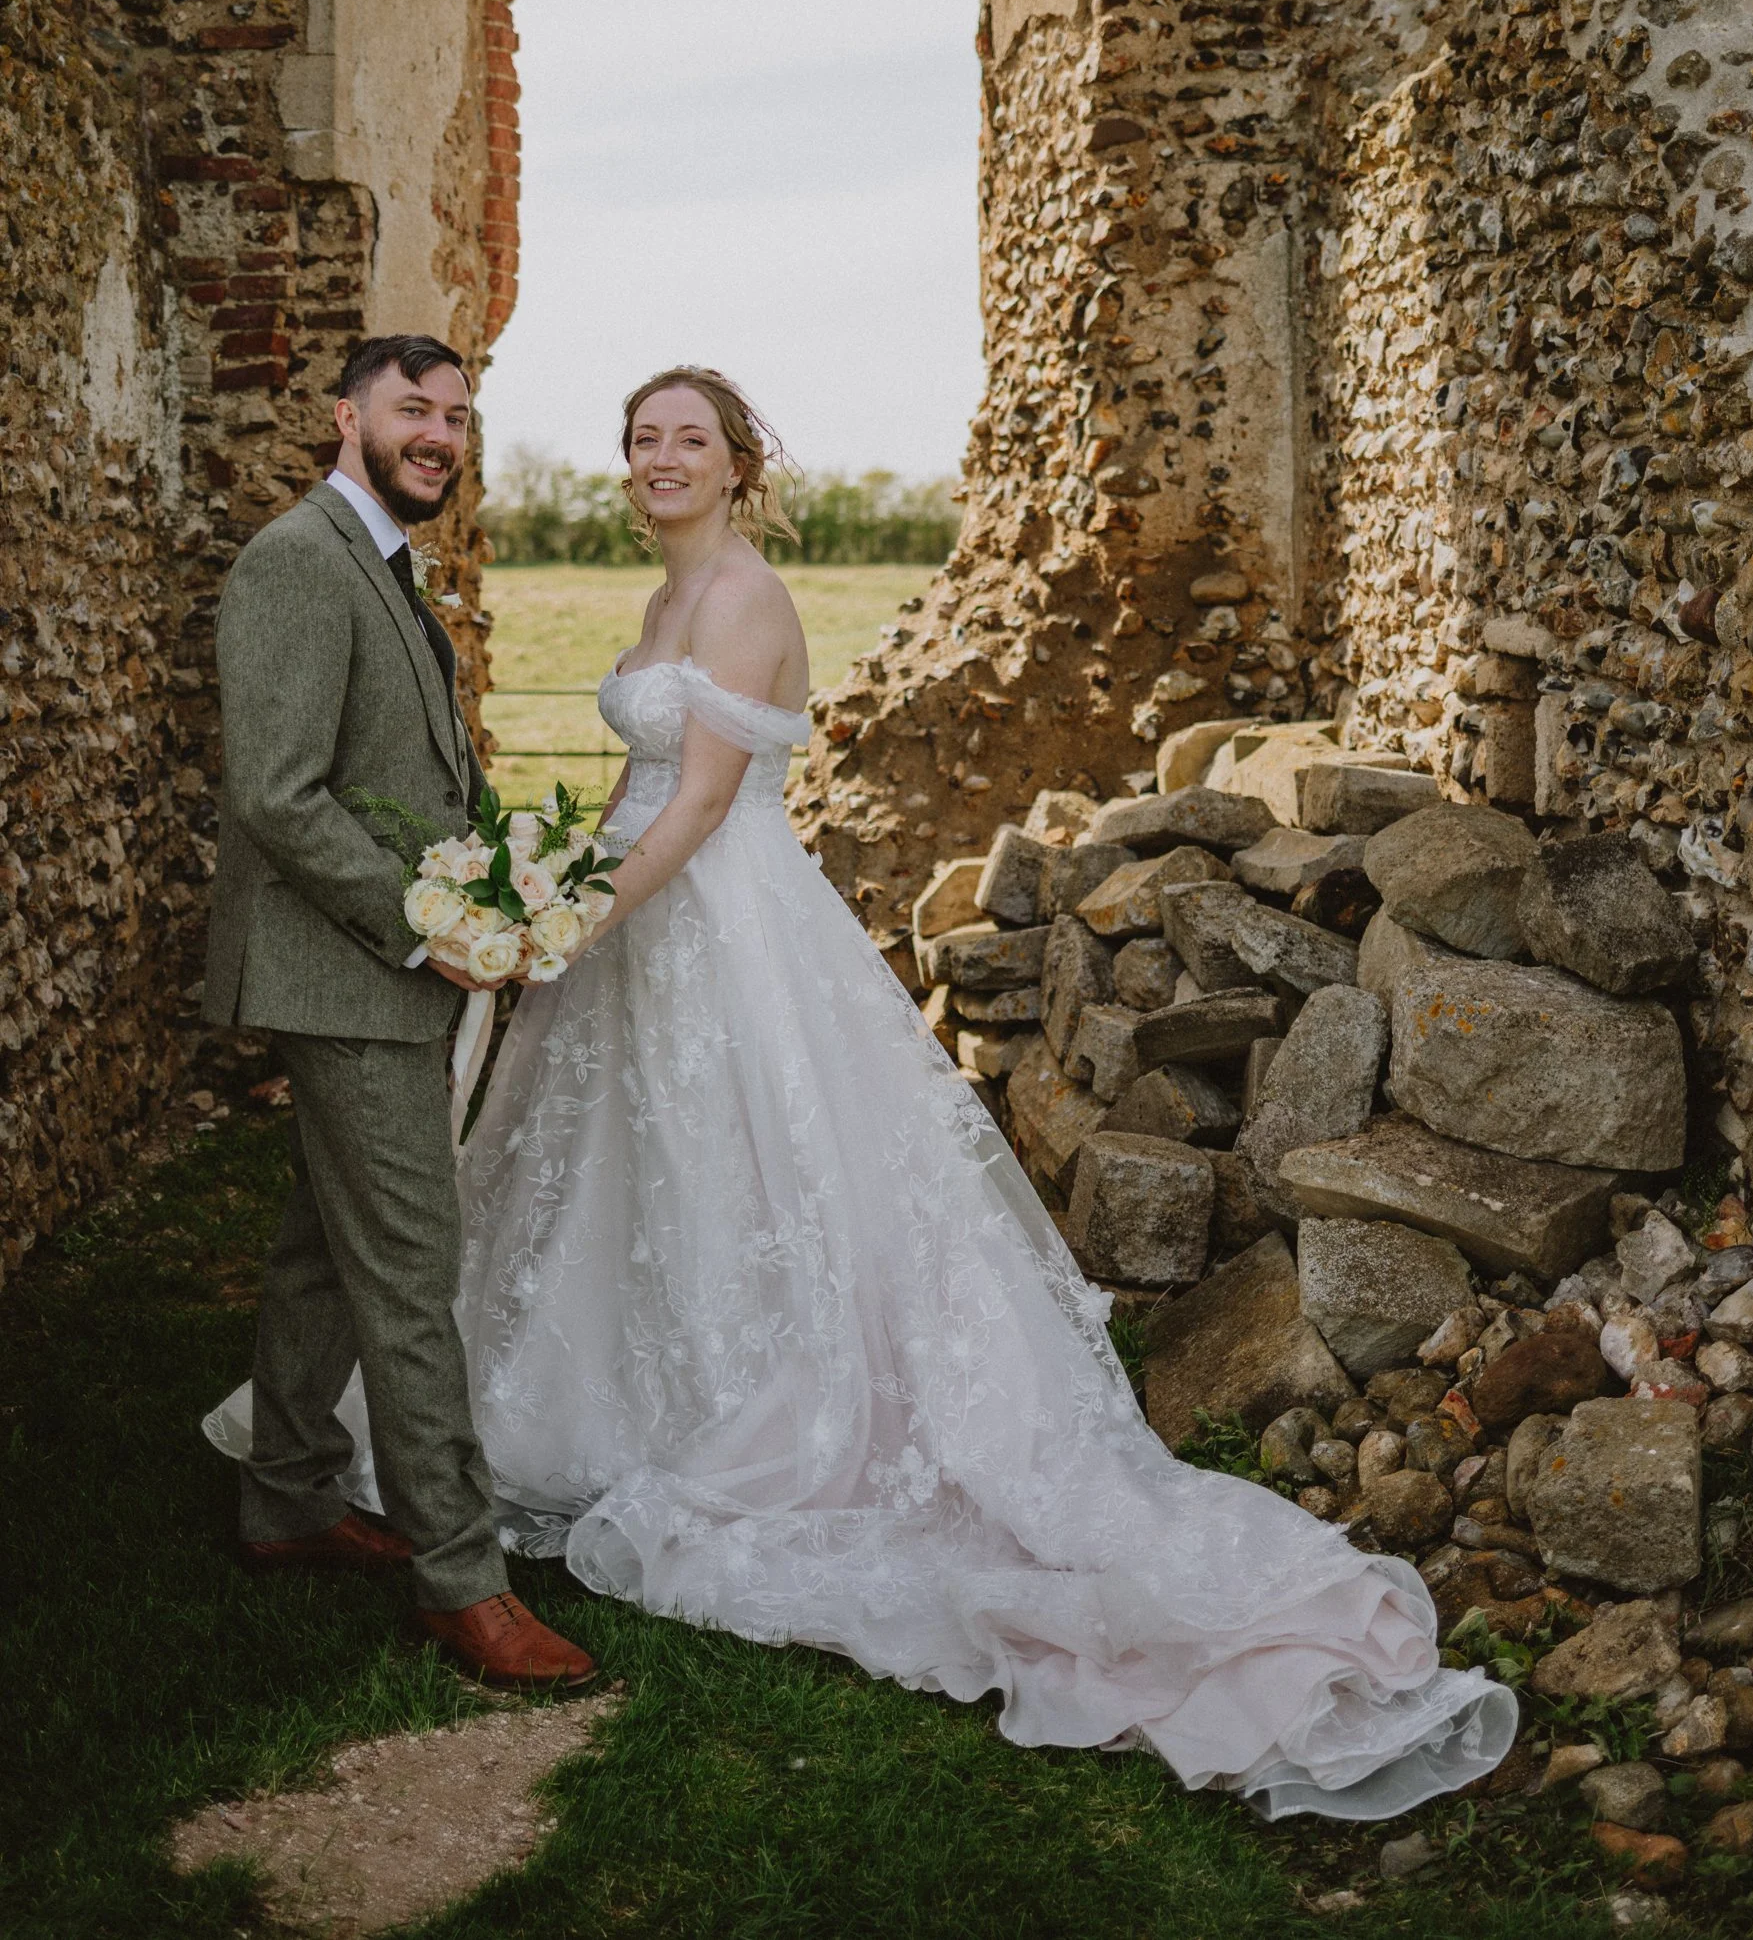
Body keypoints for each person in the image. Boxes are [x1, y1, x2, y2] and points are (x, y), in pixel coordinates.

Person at [445, 367, 1517, 1813]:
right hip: (643, 920)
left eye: (687, 438)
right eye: (641, 439)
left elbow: (700, 805)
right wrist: (567, 894)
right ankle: (631, 1391)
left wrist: (567, 920)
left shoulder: (746, 595)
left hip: (718, 918)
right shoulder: (653, 603)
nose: (659, 459)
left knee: (749, 1164)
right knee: (635, 1171)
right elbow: (647, 792)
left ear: (737, 462)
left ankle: (779, 1420)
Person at [203, 332, 593, 1690]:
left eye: (457, 412)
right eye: (412, 408)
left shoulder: (382, 565)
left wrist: (507, 883)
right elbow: (279, 793)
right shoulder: (298, 563)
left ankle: (290, 1496)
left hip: (379, 973)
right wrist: (435, 927)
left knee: (326, 1243)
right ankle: (462, 1582)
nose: (439, 431)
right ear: (344, 416)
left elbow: (413, 777)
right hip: (350, 978)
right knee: (413, 1276)